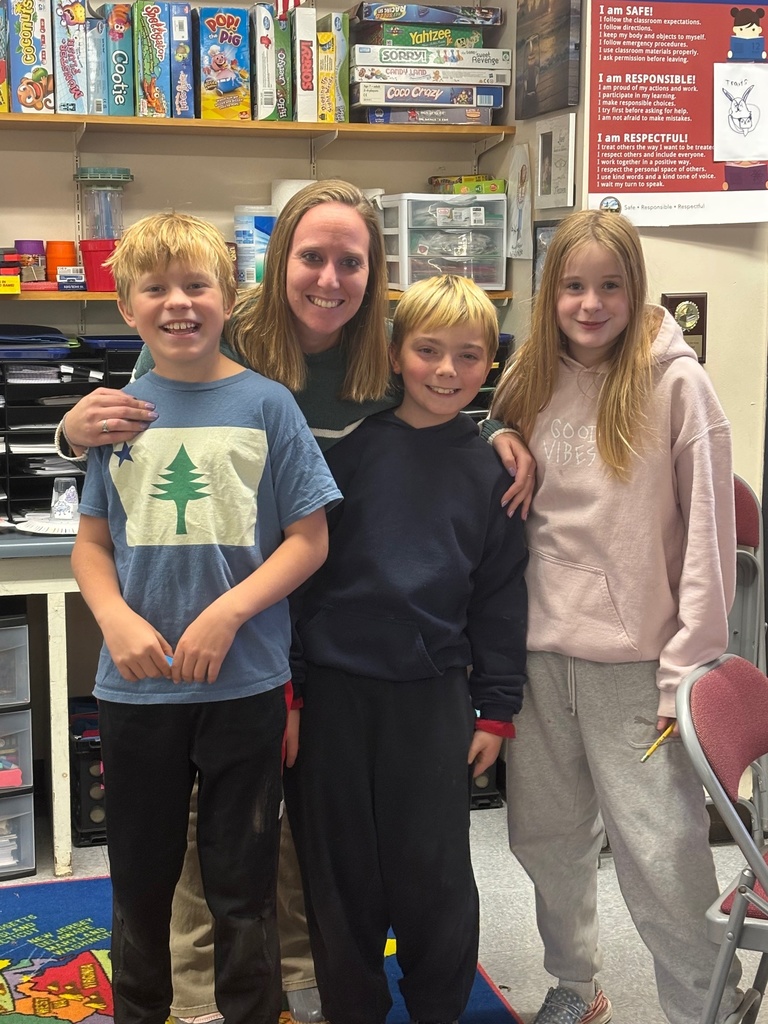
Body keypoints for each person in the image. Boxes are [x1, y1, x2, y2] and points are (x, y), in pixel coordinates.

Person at [57, 180, 537, 1024]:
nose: (329, 279)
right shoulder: (218, 327)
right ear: (279, 263)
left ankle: (299, 982)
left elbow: (445, 387)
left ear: (373, 274)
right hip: (258, 634)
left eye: (350, 262)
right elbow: (127, 430)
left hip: (310, 632)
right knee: (208, 850)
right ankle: (203, 997)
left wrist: (493, 430)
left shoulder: (379, 350)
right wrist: (69, 427)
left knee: (296, 841)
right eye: (311, 257)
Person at [70, 212, 341, 1024]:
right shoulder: (115, 415)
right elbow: (90, 545)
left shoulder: (268, 405)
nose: (178, 303)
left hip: (243, 687)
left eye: (197, 286)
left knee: (243, 887)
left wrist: (229, 612)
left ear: (231, 298)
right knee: (141, 888)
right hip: (136, 693)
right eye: (155, 288)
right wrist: (114, 618)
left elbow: (310, 539)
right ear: (127, 307)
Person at [489, 209, 744, 1024]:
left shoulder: (677, 385)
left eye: (609, 286)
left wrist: (685, 678)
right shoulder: (530, 371)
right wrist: (497, 431)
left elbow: (708, 543)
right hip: (537, 655)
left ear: (635, 290)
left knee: (661, 855)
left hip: (637, 665)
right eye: (572, 286)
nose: (590, 304)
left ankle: (708, 1003)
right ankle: (574, 985)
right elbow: (492, 444)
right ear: (549, 294)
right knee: (545, 840)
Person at [287, 275, 528, 1024]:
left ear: (491, 364)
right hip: (329, 696)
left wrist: (497, 711)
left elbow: (499, 597)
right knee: (339, 875)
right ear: (395, 356)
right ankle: (351, 1009)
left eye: (468, 356)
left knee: (436, 875)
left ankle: (436, 1009)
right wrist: (289, 692)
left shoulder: (498, 473)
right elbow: (300, 575)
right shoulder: (349, 455)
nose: (447, 372)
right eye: (428, 351)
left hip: (432, 698)